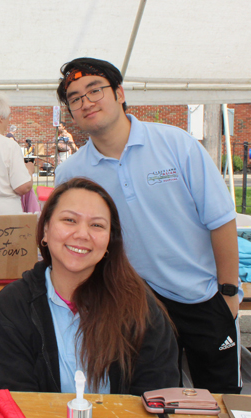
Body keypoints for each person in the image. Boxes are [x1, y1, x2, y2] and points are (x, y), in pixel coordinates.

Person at [55, 57, 241, 394]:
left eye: (95, 90)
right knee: (143, 399)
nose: (87, 102)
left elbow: (221, 220)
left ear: (120, 93)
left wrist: (228, 293)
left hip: (201, 297)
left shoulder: (177, 145)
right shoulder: (72, 173)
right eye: (76, 98)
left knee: (219, 399)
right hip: (132, 307)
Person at [0, 178, 179, 394]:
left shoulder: (139, 305)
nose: (81, 234)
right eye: (69, 220)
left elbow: (157, 395)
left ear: (109, 241)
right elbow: (15, 395)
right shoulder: (15, 304)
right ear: (45, 230)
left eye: (97, 225)